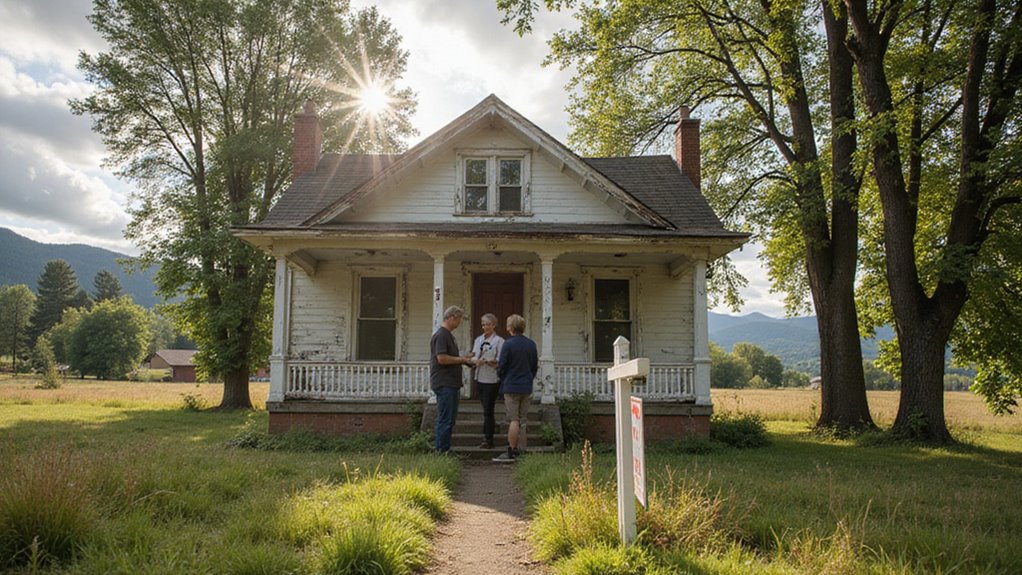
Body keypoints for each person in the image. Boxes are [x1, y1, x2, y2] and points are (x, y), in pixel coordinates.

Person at [493, 313, 538, 463]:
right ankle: (522, 449)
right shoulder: (531, 344)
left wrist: (502, 377)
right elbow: (534, 366)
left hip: (511, 386)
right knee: (523, 419)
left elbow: (502, 365)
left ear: (511, 327)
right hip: (526, 386)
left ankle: (511, 450)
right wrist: (528, 378)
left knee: (513, 419)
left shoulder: (508, 344)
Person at [430, 305, 474, 453]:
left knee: (450, 419)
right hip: (444, 383)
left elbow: (451, 357)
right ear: (451, 318)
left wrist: (465, 360)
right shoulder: (441, 335)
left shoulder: (449, 335)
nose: (460, 322)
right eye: (459, 319)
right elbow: (441, 358)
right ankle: (441, 451)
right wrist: (461, 359)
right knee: (445, 419)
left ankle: (446, 448)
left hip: (452, 383)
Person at [471, 313, 505, 449]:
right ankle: (492, 426)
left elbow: (501, 359)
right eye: (483, 324)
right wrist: (475, 361)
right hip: (480, 376)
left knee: (488, 409)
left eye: (488, 324)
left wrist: (493, 362)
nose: (485, 327)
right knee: (485, 407)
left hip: (492, 378)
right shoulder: (479, 339)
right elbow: (474, 355)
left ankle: (488, 439)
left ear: (494, 325)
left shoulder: (499, 340)